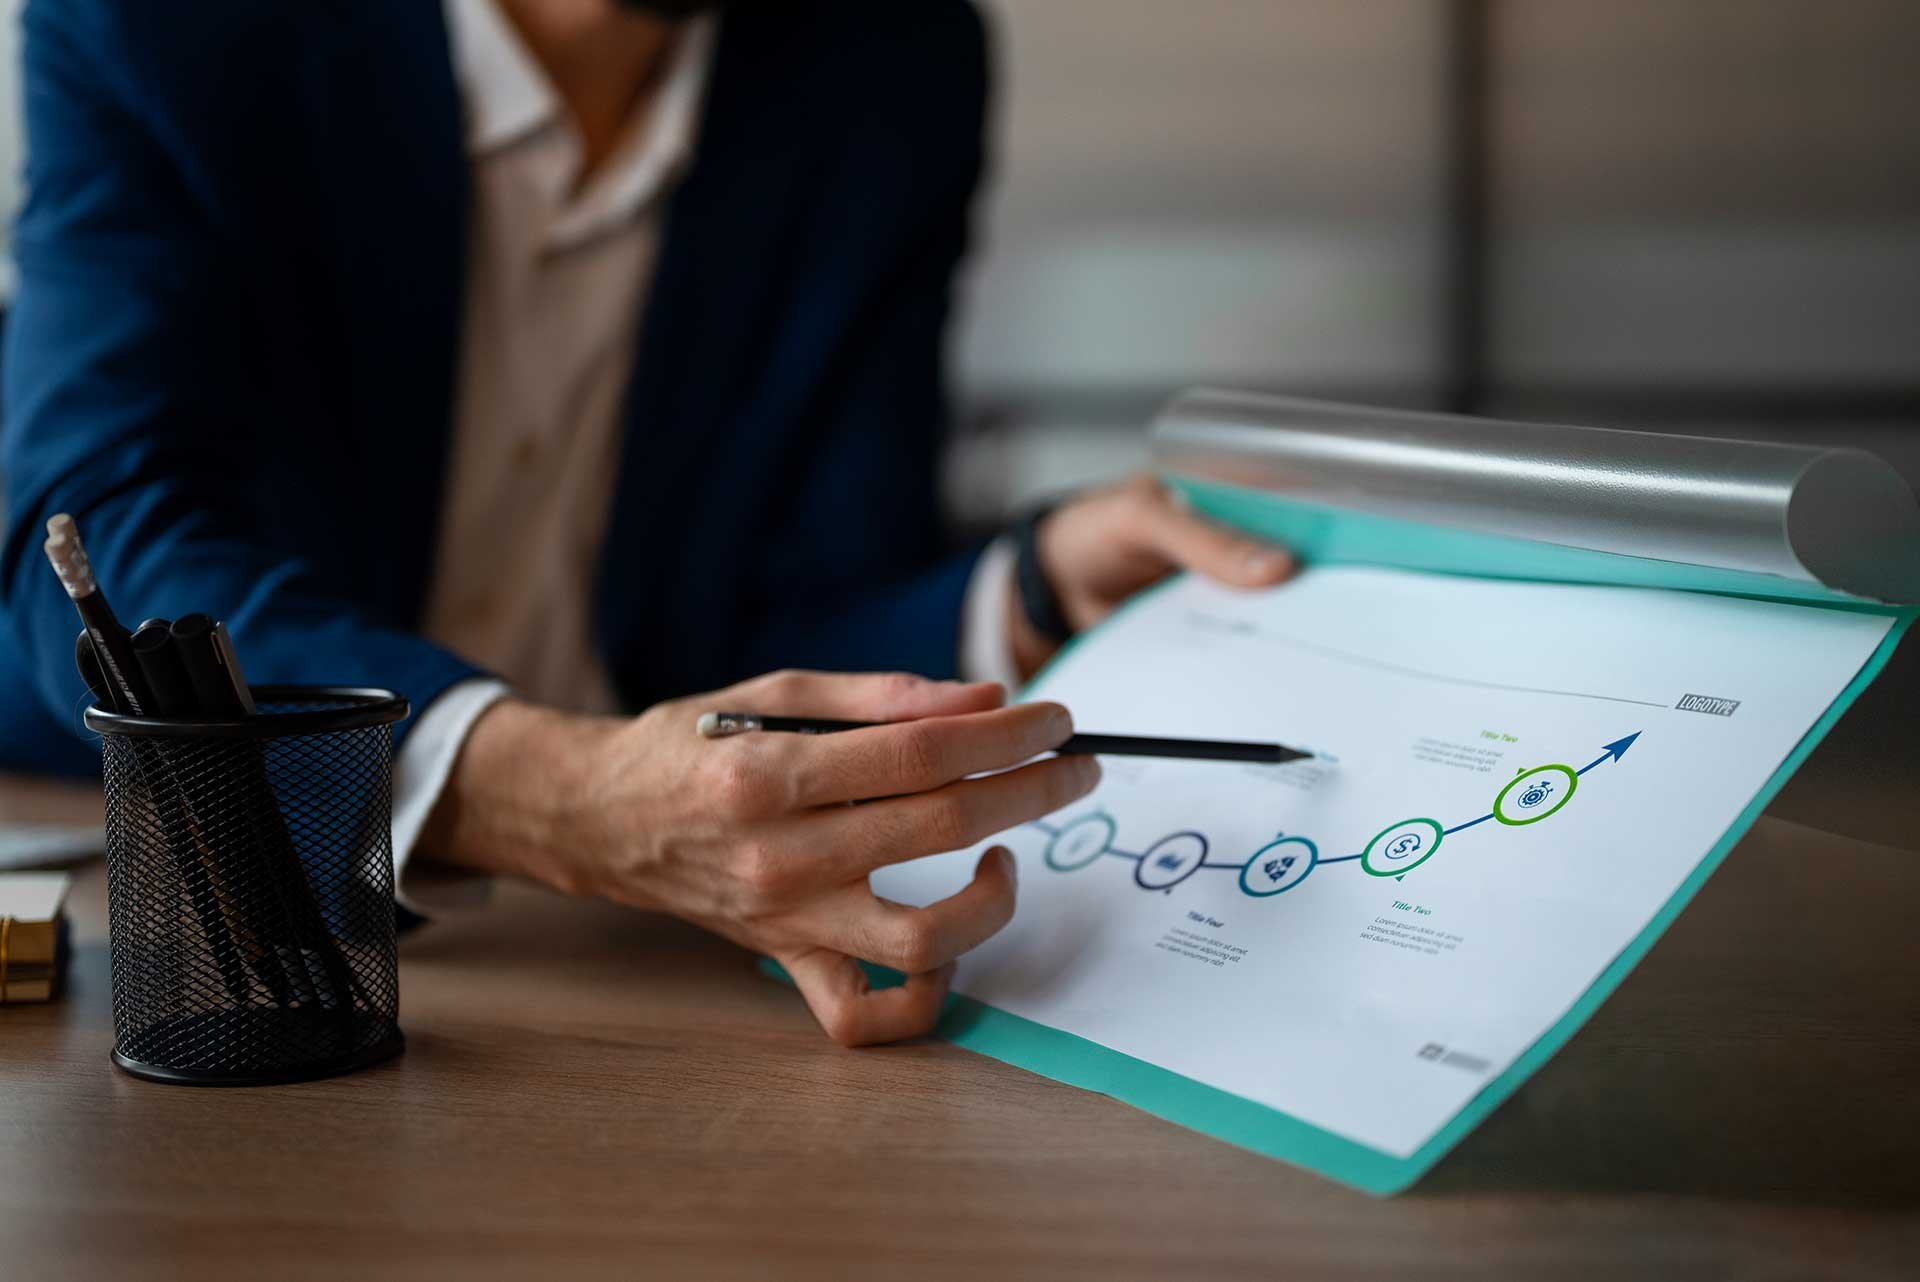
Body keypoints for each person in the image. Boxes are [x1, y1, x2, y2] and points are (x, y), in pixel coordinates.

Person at [0, 0, 1291, 1044]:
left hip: (656, 963)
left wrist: (1025, 592)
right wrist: (559, 795)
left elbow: (799, 604)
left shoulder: (892, 64)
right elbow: (101, 532)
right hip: (177, 895)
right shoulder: (160, 24)